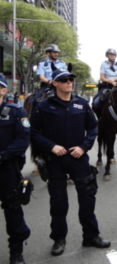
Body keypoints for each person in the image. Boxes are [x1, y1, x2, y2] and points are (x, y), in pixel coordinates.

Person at [30, 69, 110, 256]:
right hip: (55, 160)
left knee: (88, 197)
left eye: (71, 79)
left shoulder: (82, 104)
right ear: (55, 83)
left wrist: (83, 147)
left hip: (78, 158)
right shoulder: (44, 106)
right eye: (64, 80)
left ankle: (90, 236)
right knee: (58, 202)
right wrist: (50, 146)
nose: (69, 82)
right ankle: (59, 239)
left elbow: (92, 128)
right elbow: (32, 132)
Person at [0, 74, 31, 264]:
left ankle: (16, 251)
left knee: (12, 210)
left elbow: (22, 140)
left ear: (4, 90)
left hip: (6, 170)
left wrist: (2, 156)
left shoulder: (16, 112)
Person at [34, 44, 67, 111]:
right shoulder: (42, 64)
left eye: (57, 52)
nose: (56, 54)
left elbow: (66, 76)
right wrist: (51, 82)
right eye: (54, 52)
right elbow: (42, 77)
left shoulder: (62, 64)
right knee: (35, 100)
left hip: (61, 86)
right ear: (48, 53)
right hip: (47, 86)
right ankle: (33, 117)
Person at [92, 48, 117, 113]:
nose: (112, 56)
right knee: (96, 102)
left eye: (114, 54)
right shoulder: (104, 64)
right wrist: (111, 81)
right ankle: (97, 119)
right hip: (106, 86)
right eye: (110, 54)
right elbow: (102, 77)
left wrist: (115, 79)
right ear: (107, 55)